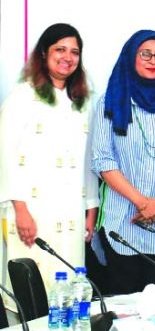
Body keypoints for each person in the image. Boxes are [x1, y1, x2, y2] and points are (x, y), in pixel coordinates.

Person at [90, 30, 155, 294]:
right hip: (122, 222)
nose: (153, 60)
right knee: (123, 308)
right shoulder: (109, 103)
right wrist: (142, 203)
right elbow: (103, 160)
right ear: (130, 57)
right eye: (145, 54)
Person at [0, 23, 98, 293]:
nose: (68, 57)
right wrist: (20, 211)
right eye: (60, 49)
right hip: (32, 212)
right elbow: (5, 155)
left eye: (75, 52)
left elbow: (87, 160)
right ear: (44, 53)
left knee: (67, 283)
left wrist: (91, 209)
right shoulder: (22, 97)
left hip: (71, 212)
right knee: (31, 287)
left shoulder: (82, 101)